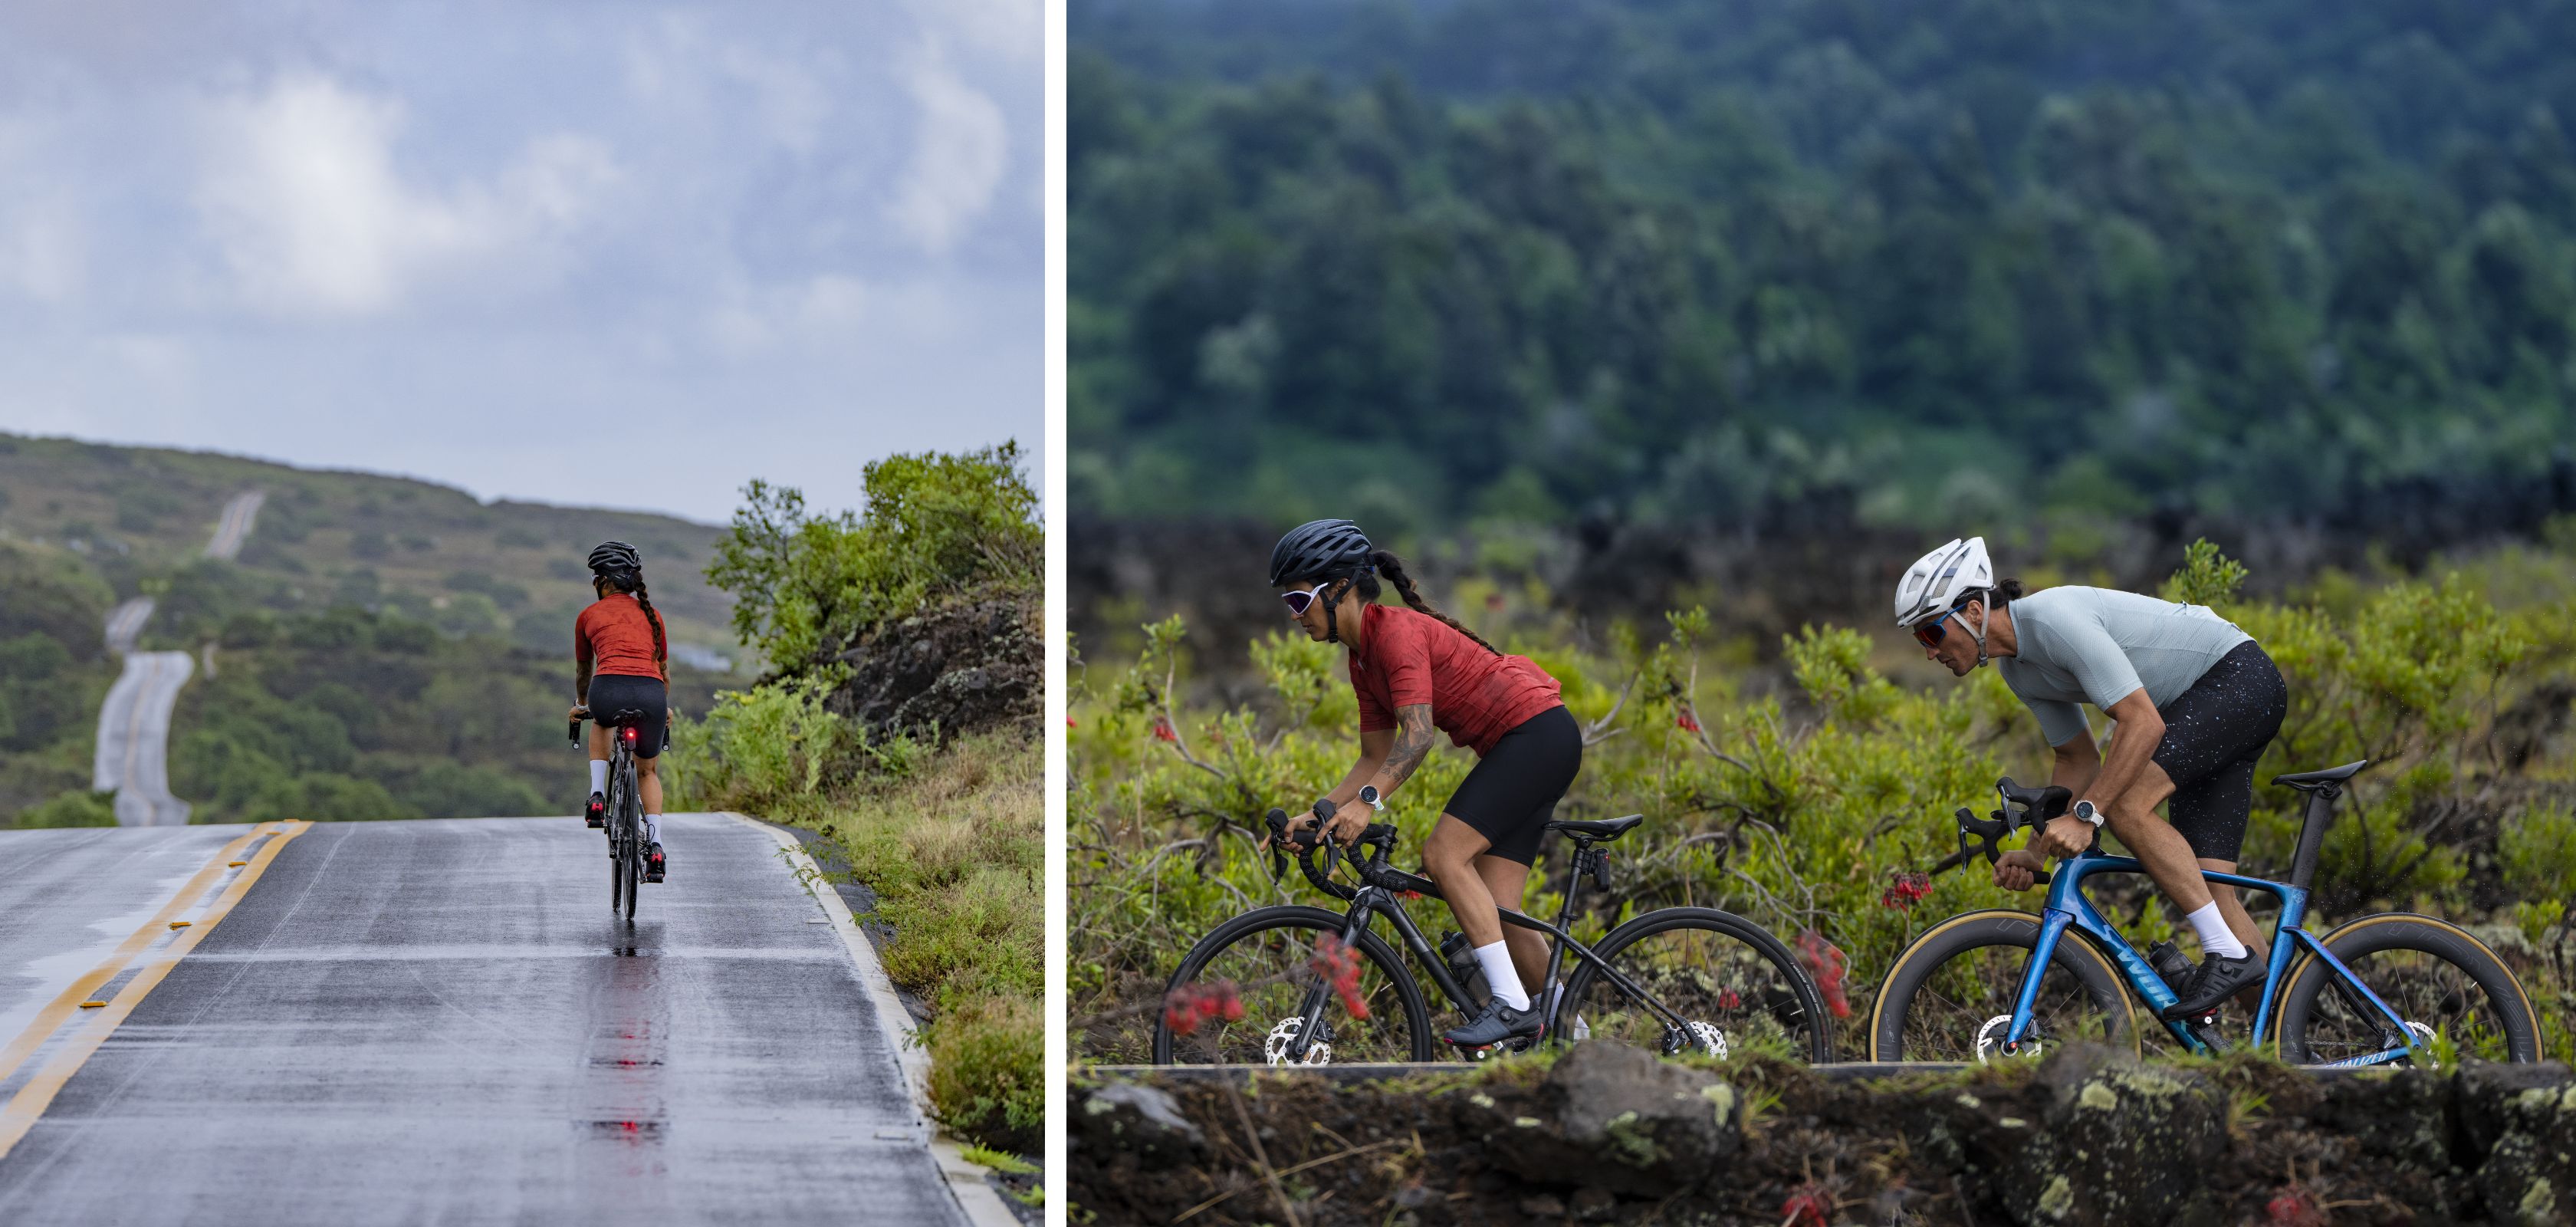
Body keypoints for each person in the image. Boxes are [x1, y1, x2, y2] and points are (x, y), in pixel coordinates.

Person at [1897, 537, 2286, 1020]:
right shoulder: (2017, 671)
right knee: (2214, 892)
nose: (1930, 653)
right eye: (1920, 641)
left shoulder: (2051, 619)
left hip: (2236, 678)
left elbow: (2142, 724)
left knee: (2123, 807)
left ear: (1973, 611)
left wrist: (2087, 815)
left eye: (1931, 635)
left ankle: (2225, 955)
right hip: (2208, 701)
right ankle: (2281, 1042)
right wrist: (2037, 850)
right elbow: (2077, 761)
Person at [1270, 518, 1579, 1048]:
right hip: (1532, 742)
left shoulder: (1396, 635)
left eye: (1299, 603)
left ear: (1338, 590)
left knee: (1442, 855)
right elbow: (1373, 756)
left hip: (1536, 736)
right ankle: (1579, 1041)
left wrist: (1367, 805)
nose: (1294, 617)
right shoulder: (1361, 657)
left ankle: (1509, 1005)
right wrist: (1321, 811)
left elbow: (1416, 737)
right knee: (1501, 909)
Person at [570, 540, 671, 883]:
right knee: (647, 772)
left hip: (607, 690)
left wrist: (582, 705)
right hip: (652, 695)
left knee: (601, 721)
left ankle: (597, 796)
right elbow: (663, 672)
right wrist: (664, 710)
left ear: (601, 581)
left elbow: (585, 672)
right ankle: (655, 846)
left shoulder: (589, 615)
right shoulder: (652, 614)